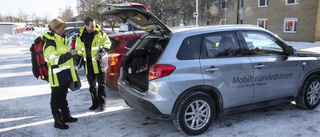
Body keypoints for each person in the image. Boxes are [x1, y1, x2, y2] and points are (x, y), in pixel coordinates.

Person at [42, 18, 79, 130]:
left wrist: (71, 54)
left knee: (63, 96)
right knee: (55, 99)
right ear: (56, 28)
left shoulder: (59, 39)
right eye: (62, 28)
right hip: (56, 76)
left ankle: (65, 116)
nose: (64, 30)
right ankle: (57, 121)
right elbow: (53, 61)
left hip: (64, 74)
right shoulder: (50, 41)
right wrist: (69, 54)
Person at [75, 17, 111, 111]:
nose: (94, 27)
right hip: (88, 65)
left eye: (94, 25)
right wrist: (78, 57)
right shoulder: (80, 36)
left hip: (100, 64)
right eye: (92, 26)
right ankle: (95, 103)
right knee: (92, 86)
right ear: (86, 25)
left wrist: (101, 53)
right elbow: (78, 49)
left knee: (102, 85)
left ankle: (102, 104)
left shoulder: (101, 33)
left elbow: (108, 44)